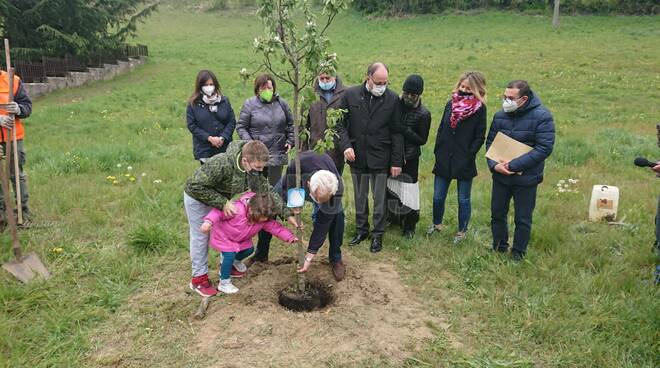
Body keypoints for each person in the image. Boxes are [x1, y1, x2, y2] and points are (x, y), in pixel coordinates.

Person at [183, 140, 297, 297]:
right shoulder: (221, 163)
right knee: (201, 235)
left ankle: (228, 265)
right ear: (245, 161)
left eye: (262, 167)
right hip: (197, 198)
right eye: (258, 167)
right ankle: (199, 279)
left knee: (226, 232)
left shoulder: (253, 171)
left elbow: (267, 190)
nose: (260, 171)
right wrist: (222, 202)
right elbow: (195, 186)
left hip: (221, 201)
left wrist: (287, 213)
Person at [336, 62, 403, 253]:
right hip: (357, 155)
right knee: (360, 195)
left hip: (381, 156)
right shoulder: (350, 95)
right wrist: (346, 146)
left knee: (380, 198)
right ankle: (361, 230)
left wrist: (396, 161)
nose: (382, 86)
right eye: (378, 82)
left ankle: (377, 234)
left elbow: (397, 132)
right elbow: (339, 125)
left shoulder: (392, 99)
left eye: (385, 82)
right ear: (368, 78)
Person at [485, 80, 555, 261]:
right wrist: (494, 165)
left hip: (526, 179)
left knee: (522, 218)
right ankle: (499, 247)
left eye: (511, 98)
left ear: (524, 99)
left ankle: (518, 253)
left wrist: (513, 166)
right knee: (497, 214)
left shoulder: (542, 116)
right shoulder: (500, 116)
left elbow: (544, 148)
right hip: (500, 176)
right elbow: (490, 143)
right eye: (504, 97)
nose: (506, 101)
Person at [252, 151, 346, 281]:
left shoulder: (336, 187)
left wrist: (309, 255)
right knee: (269, 206)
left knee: (337, 216)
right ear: (308, 186)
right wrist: (293, 204)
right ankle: (260, 255)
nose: (318, 204)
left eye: (321, 201)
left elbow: (322, 225)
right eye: (317, 200)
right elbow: (288, 186)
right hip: (293, 182)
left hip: (323, 189)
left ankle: (336, 258)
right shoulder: (298, 163)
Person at [428, 71, 487, 243]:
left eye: (469, 88)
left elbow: (479, 137)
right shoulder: (450, 104)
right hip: (444, 157)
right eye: (462, 86)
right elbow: (441, 128)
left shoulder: (480, 109)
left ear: (477, 89)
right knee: (438, 196)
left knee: (463, 198)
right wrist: (438, 150)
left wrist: (469, 155)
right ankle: (437, 223)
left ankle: (462, 231)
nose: (464, 90)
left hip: (464, 160)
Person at [200, 192, 298, 294]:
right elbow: (218, 212)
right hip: (224, 236)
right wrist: (208, 222)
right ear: (251, 209)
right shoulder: (236, 209)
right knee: (229, 255)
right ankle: (224, 282)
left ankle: (234, 262)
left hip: (241, 239)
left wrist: (290, 237)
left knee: (249, 250)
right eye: (261, 217)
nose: (263, 220)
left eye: (266, 217)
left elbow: (276, 228)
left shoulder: (263, 220)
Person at [386, 74, 431, 239]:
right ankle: (393, 217)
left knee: (409, 192)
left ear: (419, 95)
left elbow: (422, 139)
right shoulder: (396, 105)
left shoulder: (424, 114)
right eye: (406, 93)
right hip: (392, 154)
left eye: (413, 94)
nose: (409, 97)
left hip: (411, 157)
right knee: (391, 187)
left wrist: (404, 129)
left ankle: (410, 225)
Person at [236, 73, 294, 186]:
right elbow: (241, 127)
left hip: (277, 154)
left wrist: (290, 141)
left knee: (275, 190)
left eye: (269, 87)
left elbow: (291, 125)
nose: (267, 90)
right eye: (263, 88)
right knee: (257, 190)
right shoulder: (250, 105)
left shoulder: (282, 104)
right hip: (256, 155)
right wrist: (251, 144)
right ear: (257, 89)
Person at [0, 67, 32, 227]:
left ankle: (23, 213)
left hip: (13, 136)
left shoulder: (14, 80)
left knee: (16, 174)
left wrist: (18, 109)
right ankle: (2, 215)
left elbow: (27, 106)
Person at [186, 70, 236, 164]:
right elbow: (192, 125)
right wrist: (209, 138)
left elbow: (232, 121)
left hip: (224, 147)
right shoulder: (193, 104)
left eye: (211, 84)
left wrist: (222, 137)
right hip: (205, 150)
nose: (209, 87)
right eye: (206, 85)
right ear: (200, 86)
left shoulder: (224, 101)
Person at [303, 71, 347, 173]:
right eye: (321, 78)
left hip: (337, 151)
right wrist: (303, 151)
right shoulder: (310, 95)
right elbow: (303, 125)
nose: (325, 81)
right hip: (316, 149)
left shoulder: (345, 94)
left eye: (328, 78)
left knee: (334, 184)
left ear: (334, 77)